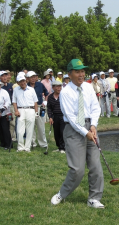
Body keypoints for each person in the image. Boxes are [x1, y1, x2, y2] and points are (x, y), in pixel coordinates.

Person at [51, 59, 104, 208]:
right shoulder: (65, 92)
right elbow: (72, 119)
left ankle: (94, 198)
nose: (81, 74)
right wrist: (85, 131)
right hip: (74, 130)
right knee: (77, 169)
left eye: (82, 71)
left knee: (95, 166)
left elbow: (95, 108)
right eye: (77, 71)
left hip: (90, 126)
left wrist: (93, 125)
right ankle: (62, 193)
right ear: (69, 74)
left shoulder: (88, 87)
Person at [13, 74, 39, 152]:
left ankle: (27, 147)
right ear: (18, 82)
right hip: (20, 110)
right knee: (19, 130)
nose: (22, 83)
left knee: (30, 130)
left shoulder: (31, 89)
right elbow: (14, 102)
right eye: (20, 81)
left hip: (30, 109)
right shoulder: (16, 90)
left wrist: (36, 112)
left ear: (26, 80)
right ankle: (20, 147)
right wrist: (16, 111)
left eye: (23, 81)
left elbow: (35, 102)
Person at [27, 71, 49, 148]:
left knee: (41, 126)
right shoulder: (26, 86)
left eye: (34, 77)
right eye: (31, 77)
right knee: (31, 126)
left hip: (39, 107)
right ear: (28, 78)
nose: (33, 79)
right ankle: (32, 143)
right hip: (30, 108)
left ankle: (43, 143)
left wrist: (45, 101)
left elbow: (46, 93)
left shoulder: (40, 85)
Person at [47, 80, 65, 153]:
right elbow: (49, 108)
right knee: (56, 133)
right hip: (55, 116)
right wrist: (50, 117)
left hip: (63, 116)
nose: (59, 88)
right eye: (57, 86)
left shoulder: (63, 95)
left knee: (62, 132)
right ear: (53, 87)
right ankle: (59, 146)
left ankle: (63, 147)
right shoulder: (50, 97)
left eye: (60, 86)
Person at [0, 71, 16, 142]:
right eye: (3, 76)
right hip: (3, 107)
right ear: (0, 77)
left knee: (12, 122)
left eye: (5, 76)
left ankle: (12, 137)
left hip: (11, 106)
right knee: (5, 123)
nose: (4, 77)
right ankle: (6, 137)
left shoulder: (10, 85)